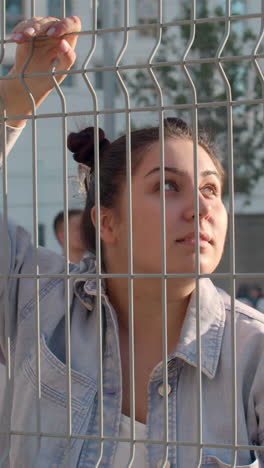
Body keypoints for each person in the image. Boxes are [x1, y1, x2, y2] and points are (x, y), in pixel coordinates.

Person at [0, 16, 263, 468]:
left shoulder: (253, 354)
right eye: (167, 186)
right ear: (107, 222)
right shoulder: (34, 299)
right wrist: (12, 100)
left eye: (211, 189)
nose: (201, 208)